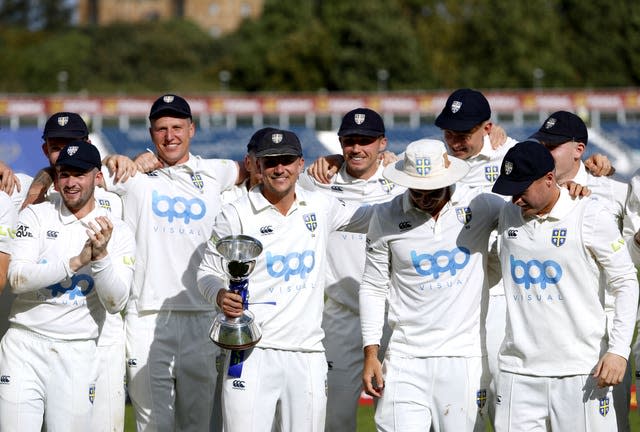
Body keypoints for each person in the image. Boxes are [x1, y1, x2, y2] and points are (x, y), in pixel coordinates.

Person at [197, 129, 372, 432]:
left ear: (300, 163)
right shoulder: (235, 213)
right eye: (272, 162)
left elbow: (374, 216)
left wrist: (408, 180)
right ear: (258, 167)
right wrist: (219, 294)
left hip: (307, 353)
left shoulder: (320, 205)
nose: (280, 169)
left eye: (287, 160)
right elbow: (207, 273)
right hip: (251, 350)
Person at [101, 94, 247, 432]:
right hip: (146, 317)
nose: (170, 136)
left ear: (191, 129)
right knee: (152, 424)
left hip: (201, 315)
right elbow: (75, 178)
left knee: (197, 424)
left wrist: (331, 161)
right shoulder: (131, 175)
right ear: (151, 134)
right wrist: (115, 159)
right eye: (161, 129)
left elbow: (257, 167)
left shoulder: (215, 171)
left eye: (177, 127)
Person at [491, 142, 638, 431]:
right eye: (511, 190)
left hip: (580, 371)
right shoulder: (507, 214)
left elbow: (626, 281)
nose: (516, 199)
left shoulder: (591, 214)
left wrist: (619, 350)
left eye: (522, 189)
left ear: (549, 179)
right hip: (518, 372)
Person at [360, 138, 504, 431]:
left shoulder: (482, 204)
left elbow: (529, 215)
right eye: (417, 191)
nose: (424, 200)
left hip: (463, 358)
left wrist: (575, 189)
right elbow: (373, 286)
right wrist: (371, 353)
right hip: (404, 357)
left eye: (432, 192)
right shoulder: (385, 216)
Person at [0, 142, 135, 431]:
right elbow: (17, 278)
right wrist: (75, 262)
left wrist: (100, 258)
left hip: (78, 351)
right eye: (64, 174)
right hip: (25, 345)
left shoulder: (118, 230)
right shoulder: (35, 215)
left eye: (79, 175)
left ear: (97, 176)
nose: (70, 183)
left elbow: (115, 302)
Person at [297, 107, 404, 432]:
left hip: (393, 316)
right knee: (335, 417)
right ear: (340, 143)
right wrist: (325, 162)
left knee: (399, 417)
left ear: (382, 143)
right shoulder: (315, 182)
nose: (357, 148)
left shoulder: (400, 181)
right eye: (350, 141)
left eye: (366, 141)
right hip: (341, 317)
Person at [528, 111, 632, 431]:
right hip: (540, 335)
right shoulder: (526, 194)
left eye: (553, 146)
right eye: (541, 144)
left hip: (599, 338)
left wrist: (618, 347)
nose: (545, 152)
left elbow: (629, 268)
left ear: (579, 150)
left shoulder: (613, 191)